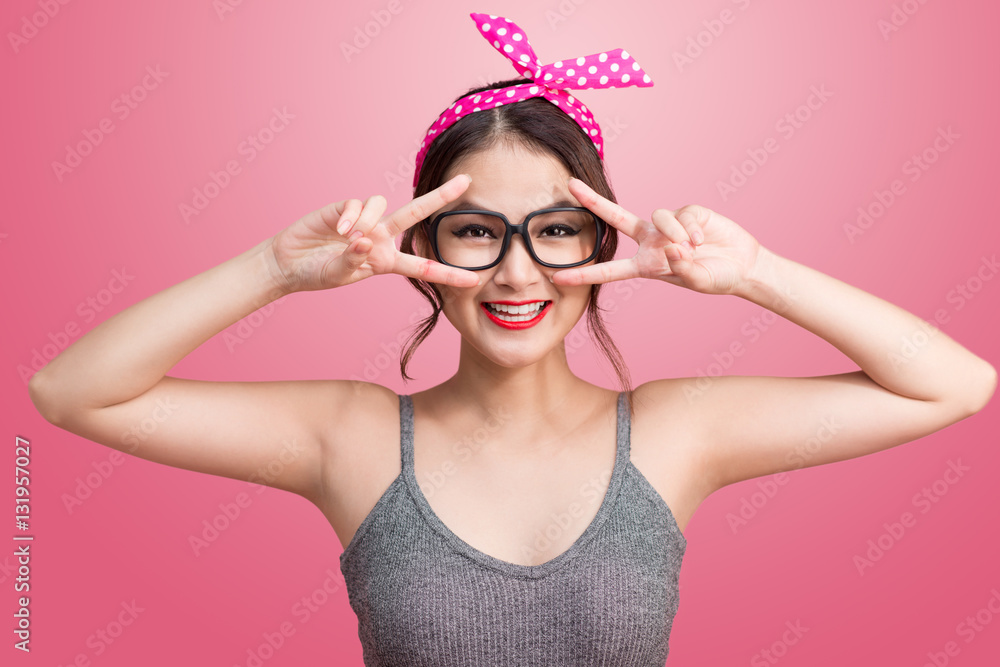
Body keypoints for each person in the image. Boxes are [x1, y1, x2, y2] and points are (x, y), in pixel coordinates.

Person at [28, 12, 996, 667]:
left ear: (600, 240)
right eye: (477, 230)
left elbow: (950, 385)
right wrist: (274, 268)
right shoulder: (351, 436)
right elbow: (74, 392)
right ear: (424, 244)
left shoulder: (671, 432)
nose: (518, 273)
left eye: (556, 229)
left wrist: (754, 273)